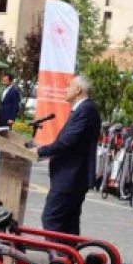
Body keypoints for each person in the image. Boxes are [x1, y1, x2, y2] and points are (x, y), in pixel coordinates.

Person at [35, 76, 102, 236]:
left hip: (71, 177)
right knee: (68, 223)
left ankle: (58, 258)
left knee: (52, 219)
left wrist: (40, 151)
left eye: (69, 86)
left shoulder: (86, 109)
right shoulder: (83, 109)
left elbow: (67, 141)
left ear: (78, 90)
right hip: (71, 177)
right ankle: (69, 257)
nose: (65, 89)